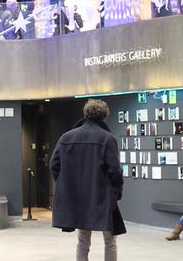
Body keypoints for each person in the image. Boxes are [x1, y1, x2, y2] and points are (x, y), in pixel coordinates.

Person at [50, 99, 126, 261]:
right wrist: (117, 192)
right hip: (102, 198)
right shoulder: (107, 138)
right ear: (104, 116)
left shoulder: (66, 137)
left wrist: (66, 184)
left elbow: (54, 165)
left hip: (78, 199)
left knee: (83, 240)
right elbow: (115, 172)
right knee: (110, 240)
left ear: (85, 113)